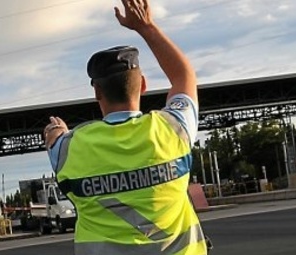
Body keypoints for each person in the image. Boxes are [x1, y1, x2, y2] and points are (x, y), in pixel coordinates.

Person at [44, 0, 208, 254]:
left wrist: (57, 130)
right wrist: (146, 27)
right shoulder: (173, 129)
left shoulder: (69, 149)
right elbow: (183, 76)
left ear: (97, 91)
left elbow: (54, 138)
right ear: (142, 84)